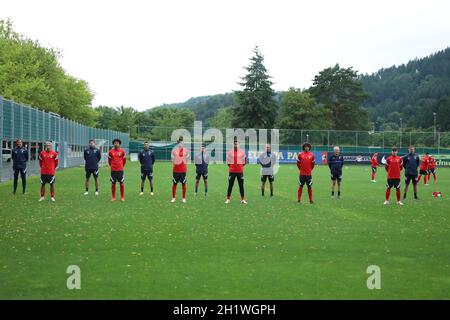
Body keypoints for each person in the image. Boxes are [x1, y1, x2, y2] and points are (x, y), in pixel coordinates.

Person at [225, 139, 247, 204]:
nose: (236, 145)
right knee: (230, 185)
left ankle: (243, 199)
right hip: (232, 172)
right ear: (233, 145)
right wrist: (232, 167)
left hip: (240, 172)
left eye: (237, 144)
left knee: (241, 186)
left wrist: (240, 167)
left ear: (239, 145)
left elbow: (244, 162)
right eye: (235, 144)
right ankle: (228, 199)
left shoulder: (242, 152)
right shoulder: (229, 152)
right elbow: (228, 162)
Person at [171, 136, 189, 203]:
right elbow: (172, 160)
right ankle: (173, 198)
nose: (180, 144)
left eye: (181, 143)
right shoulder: (174, 150)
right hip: (176, 170)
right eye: (179, 143)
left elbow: (187, 159)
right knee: (174, 183)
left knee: (183, 184)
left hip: (183, 170)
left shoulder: (186, 150)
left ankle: (183, 198)